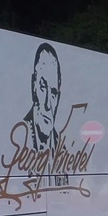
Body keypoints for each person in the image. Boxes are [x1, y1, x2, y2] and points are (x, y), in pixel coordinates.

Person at [23, 42, 67, 186]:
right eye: (43, 87)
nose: (48, 104)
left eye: (53, 93)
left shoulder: (62, 152)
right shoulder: (20, 137)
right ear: (33, 86)